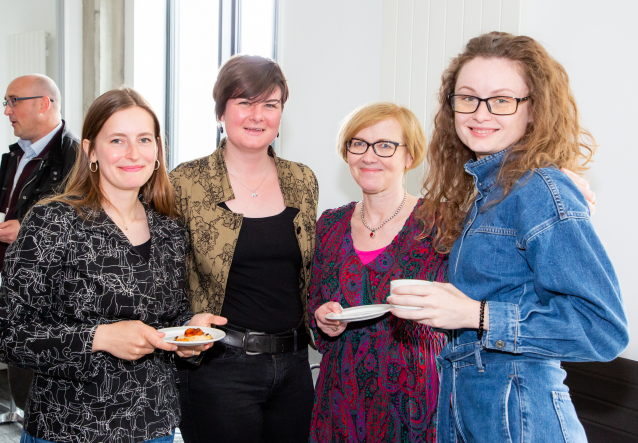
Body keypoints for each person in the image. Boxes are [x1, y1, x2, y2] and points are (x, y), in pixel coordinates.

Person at [388, 32, 629, 443]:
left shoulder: (541, 189)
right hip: (474, 408)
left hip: (521, 418)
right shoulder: (489, 191)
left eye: (502, 100)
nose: (481, 113)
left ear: (533, 109)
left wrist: (476, 316)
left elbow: (602, 328)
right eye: (467, 98)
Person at [0, 87, 225, 443]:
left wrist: (189, 334)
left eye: (144, 140)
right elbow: (6, 335)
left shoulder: (169, 229)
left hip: (153, 424)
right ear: (90, 150)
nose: (133, 153)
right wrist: (98, 337)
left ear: (157, 150)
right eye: (117, 140)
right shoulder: (52, 222)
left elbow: (168, 319)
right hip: (69, 427)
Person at [169, 54, 318, 443]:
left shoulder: (302, 180)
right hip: (219, 368)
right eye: (244, 102)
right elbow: (162, 270)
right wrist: (184, 324)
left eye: (270, 104)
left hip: (294, 365)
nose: (258, 115)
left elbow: (306, 272)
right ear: (221, 111)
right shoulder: (186, 181)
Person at [309, 103, 448, 442]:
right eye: (358, 144)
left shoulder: (441, 223)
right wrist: (322, 318)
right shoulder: (329, 224)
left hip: (416, 400)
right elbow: (313, 304)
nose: (369, 156)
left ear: (409, 157)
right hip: (340, 398)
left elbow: (467, 305)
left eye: (385, 145)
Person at [0, 74, 78, 304]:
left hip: (41, 302)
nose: (7, 111)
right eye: (6, 103)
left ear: (43, 103)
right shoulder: (15, 155)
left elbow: (82, 224)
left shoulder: (78, 158)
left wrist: (27, 230)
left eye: (14, 101)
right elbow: (5, 210)